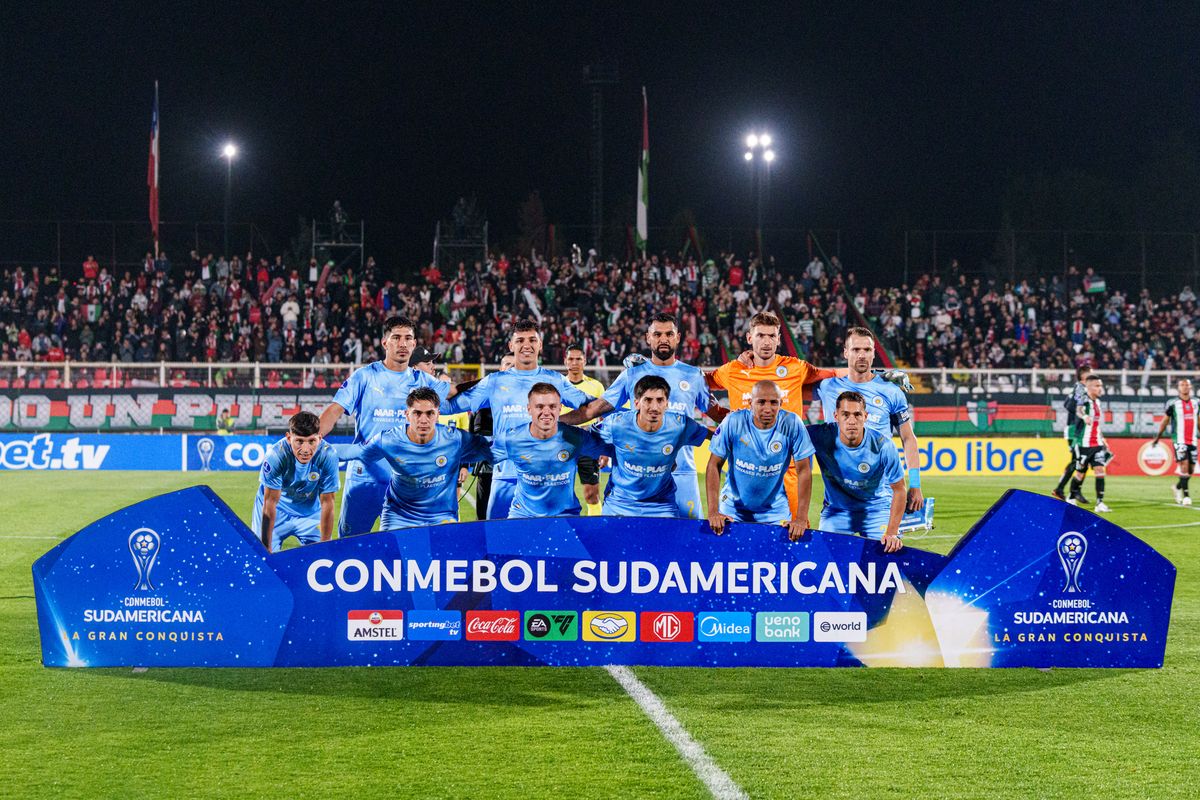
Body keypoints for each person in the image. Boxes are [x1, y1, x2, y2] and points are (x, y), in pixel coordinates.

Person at [562, 313, 721, 519]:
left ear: (678, 337)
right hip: (635, 475)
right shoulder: (631, 375)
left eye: (669, 334)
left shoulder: (693, 375)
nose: (663, 339)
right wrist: (552, 424)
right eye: (657, 334)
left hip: (682, 473)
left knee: (684, 542)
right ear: (648, 337)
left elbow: (718, 415)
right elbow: (592, 410)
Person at [318, 316, 451, 537]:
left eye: (408, 338)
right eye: (396, 338)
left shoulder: (423, 380)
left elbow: (456, 393)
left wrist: (493, 384)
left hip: (405, 482)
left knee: (404, 550)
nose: (402, 343)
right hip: (364, 478)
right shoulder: (364, 376)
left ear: (414, 344)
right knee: (351, 547)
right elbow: (334, 410)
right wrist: (311, 440)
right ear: (384, 342)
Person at [444, 321, 591, 519]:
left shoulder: (555, 380)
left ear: (540, 344)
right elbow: (450, 406)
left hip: (547, 477)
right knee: (500, 544)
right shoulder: (494, 382)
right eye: (520, 340)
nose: (526, 345)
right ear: (511, 346)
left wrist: (562, 421)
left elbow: (590, 407)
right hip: (505, 476)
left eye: (532, 340)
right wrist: (415, 398)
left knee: (551, 543)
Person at [341, 388, 493, 530]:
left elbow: (495, 450)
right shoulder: (389, 440)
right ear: (407, 414)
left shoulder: (454, 438)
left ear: (438, 414)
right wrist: (322, 450)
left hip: (441, 516)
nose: (423, 420)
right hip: (399, 516)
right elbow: (354, 451)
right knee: (392, 556)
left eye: (429, 413)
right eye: (417, 413)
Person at [817, 326, 924, 513]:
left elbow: (908, 438)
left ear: (873, 353)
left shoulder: (891, 391)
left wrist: (915, 484)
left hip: (881, 499)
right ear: (845, 353)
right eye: (856, 350)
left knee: (887, 543)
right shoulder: (827, 387)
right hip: (838, 502)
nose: (861, 355)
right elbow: (786, 384)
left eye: (867, 350)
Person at [705, 380, 814, 539]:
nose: (768, 408)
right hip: (732, 508)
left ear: (781, 403)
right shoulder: (733, 421)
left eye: (774, 403)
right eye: (761, 402)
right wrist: (713, 511)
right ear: (750, 402)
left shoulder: (792, 424)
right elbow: (714, 464)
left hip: (775, 511)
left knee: (778, 559)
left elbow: (804, 470)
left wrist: (801, 518)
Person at [491, 382, 609, 518]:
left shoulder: (575, 437)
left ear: (560, 408)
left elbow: (617, 449)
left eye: (552, 406)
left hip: (565, 516)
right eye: (539, 406)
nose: (546, 412)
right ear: (529, 409)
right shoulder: (511, 439)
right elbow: (475, 452)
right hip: (522, 516)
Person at [597, 375, 710, 517]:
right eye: (648, 400)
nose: (654, 407)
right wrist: (603, 449)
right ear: (636, 403)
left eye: (660, 400)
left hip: (661, 506)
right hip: (619, 504)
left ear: (667, 403)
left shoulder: (680, 425)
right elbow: (586, 439)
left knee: (671, 538)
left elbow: (714, 436)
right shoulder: (616, 424)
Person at [808, 391, 906, 552]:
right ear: (836, 416)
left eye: (857, 415)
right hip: (837, 511)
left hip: (876, 510)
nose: (851, 421)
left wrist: (892, 533)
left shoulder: (883, 445)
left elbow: (900, 489)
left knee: (887, 557)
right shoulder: (819, 435)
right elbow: (788, 432)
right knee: (824, 557)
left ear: (865, 416)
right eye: (845, 414)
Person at [254, 411, 340, 553]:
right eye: (299, 441)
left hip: (310, 514)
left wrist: (325, 546)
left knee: (320, 557)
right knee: (263, 559)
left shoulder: (328, 455)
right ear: (289, 438)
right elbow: (270, 503)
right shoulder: (276, 456)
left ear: (319, 438)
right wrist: (266, 548)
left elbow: (328, 503)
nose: (305, 450)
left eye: (312, 441)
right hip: (278, 510)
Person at [564, 343, 608, 514]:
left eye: (578, 359)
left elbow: (604, 419)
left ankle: (595, 530)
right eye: (571, 359)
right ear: (565, 361)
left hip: (589, 446)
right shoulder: (558, 385)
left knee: (591, 494)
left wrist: (604, 449)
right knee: (560, 492)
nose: (574, 363)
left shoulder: (596, 386)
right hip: (563, 444)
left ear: (585, 361)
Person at [1152, 378, 1199, 505]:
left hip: (1193, 440)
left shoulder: (1197, 402)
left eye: (1187, 385)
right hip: (1179, 440)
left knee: (1191, 469)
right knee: (1184, 465)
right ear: (1178, 388)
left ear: (1190, 387)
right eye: (1182, 385)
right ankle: (1186, 496)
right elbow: (1165, 421)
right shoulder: (1172, 403)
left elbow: (1198, 420)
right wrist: (1158, 437)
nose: (1184, 387)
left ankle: (1177, 487)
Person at [1068, 375, 1111, 512]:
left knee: (1100, 470)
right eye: (1097, 386)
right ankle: (1071, 497)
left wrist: (1103, 438)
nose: (1100, 388)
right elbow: (1078, 411)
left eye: (1100, 386)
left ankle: (1099, 503)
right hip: (1083, 444)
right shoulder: (1083, 398)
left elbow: (1097, 425)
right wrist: (1085, 416)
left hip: (1096, 443)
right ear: (1089, 387)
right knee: (1080, 473)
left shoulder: (1098, 403)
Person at [1052, 366, 1093, 501]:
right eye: (1090, 374)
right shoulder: (1080, 388)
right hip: (1075, 431)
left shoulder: (1079, 388)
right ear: (1083, 376)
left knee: (1082, 462)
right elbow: (1069, 406)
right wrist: (1079, 414)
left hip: (1078, 429)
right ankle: (1061, 489)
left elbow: (1067, 404)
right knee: (1077, 461)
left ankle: (1075, 490)